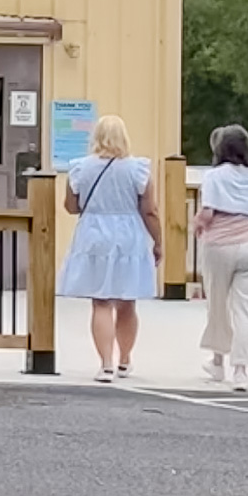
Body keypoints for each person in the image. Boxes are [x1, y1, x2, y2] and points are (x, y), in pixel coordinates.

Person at [58, 115, 162, 383]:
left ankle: (105, 364)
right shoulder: (139, 169)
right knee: (127, 301)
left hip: (93, 232)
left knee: (100, 300)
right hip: (128, 233)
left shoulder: (80, 168)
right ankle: (125, 360)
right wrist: (159, 241)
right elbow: (149, 210)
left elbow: (70, 206)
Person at [194, 125, 248, 392]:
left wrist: (197, 223)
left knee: (218, 304)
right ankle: (241, 371)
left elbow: (208, 213)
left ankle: (217, 361)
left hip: (219, 246)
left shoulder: (214, 177)